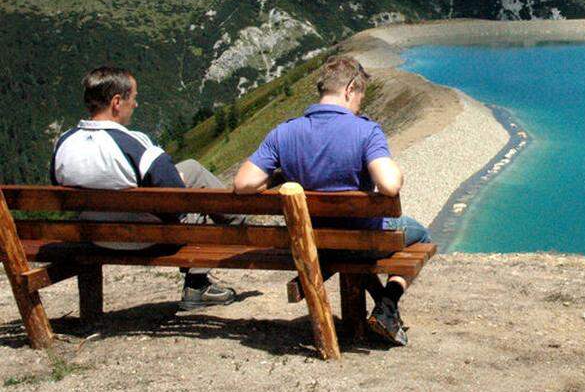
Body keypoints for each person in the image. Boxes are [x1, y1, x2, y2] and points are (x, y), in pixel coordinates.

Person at [232, 55, 430, 346]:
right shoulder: (366, 131)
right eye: (359, 96)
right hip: (363, 243)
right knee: (421, 233)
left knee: (352, 241)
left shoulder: (284, 132)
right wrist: (396, 171)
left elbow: (243, 183)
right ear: (350, 89)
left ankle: (384, 308)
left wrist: (276, 176)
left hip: (311, 242)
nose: (358, 105)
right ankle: (388, 303)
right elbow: (388, 185)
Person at [50, 66, 243, 310]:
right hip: (146, 239)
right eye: (134, 97)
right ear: (117, 102)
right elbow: (178, 206)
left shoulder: (64, 144)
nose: (136, 104)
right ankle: (200, 282)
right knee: (197, 190)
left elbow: (59, 191)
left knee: (190, 170)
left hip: (93, 237)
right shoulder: (136, 145)